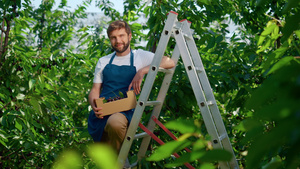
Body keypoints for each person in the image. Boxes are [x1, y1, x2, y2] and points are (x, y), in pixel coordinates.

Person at [87, 20, 175, 154]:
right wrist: (94, 104)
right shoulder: (103, 61)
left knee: (115, 124)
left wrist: (143, 71)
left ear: (129, 36)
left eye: (121, 36)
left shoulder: (140, 56)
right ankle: (120, 163)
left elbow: (169, 62)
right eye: (113, 37)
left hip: (124, 111)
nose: (118, 41)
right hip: (103, 110)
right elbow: (94, 90)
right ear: (110, 40)